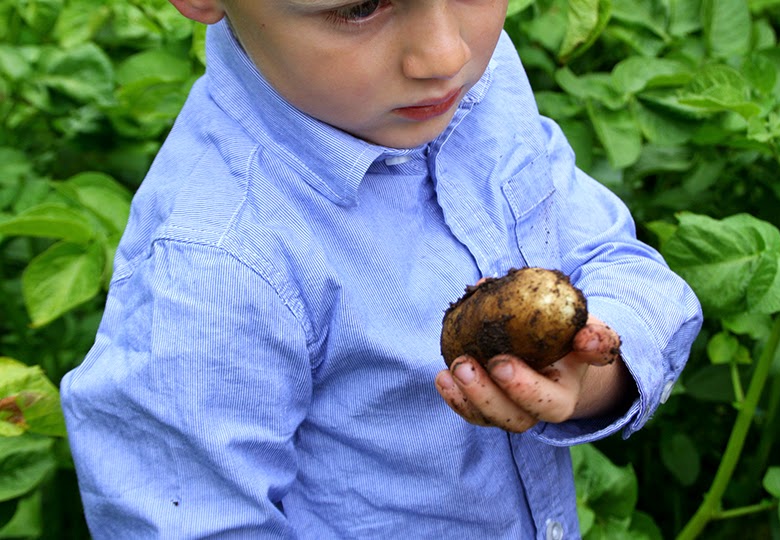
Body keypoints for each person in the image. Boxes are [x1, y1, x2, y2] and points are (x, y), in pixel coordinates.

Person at [60, 0, 703, 537]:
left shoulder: (473, 85)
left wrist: (586, 376)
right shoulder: (217, 261)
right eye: (360, 7)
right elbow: (188, 519)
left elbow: (615, 262)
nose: (445, 54)